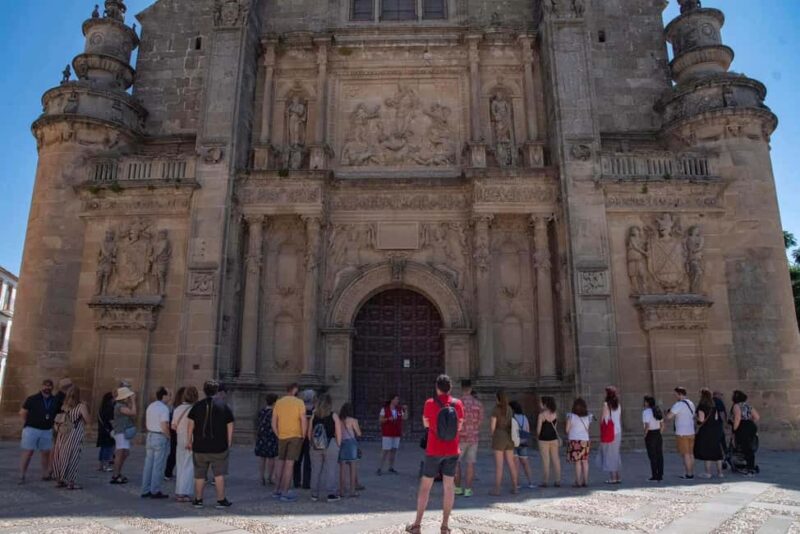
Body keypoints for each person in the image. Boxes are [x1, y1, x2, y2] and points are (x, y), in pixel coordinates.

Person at [406, 374, 464, 534]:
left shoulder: (430, 403)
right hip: (452, 450)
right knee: (449, 487)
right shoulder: (458, 404)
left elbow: (426, 424)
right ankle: (445, 526)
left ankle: (417, 525)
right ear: (450, 388)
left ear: (437, 388)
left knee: (425, 487)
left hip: (434, 449)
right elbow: (459, 427)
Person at [187, 380, 234, 508]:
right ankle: (221, 500)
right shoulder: (224, 406)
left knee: (199, 474)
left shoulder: (197, 406)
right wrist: (229, 442)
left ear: (204, 390)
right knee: (219, 475)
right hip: (219, 446)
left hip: (200, 446)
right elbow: (230, 426)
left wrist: (189, 441)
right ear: (217, 390)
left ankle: (198, 500)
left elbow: (190, 426)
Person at [18, 379, 61, 484]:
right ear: (42, 386)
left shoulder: (55, 400)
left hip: (46, 430)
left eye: (50, 386)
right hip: (31, 429)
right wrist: (27, 424)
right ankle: (22, 474)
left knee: (46, 452)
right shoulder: (32, 399)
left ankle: (45, 474)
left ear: (52, 387)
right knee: (28, 452)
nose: (47, 388)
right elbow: (23, 412)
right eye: (45, 386)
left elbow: (59, 415)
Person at [272, 383, 307, 502]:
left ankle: (277, 490)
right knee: (289, 464)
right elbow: (303, 420)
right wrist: (303, 434)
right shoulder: (299, 403)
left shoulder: (279, 402)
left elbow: (273, 423)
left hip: (282, 436)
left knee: (280, 463)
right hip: (295, 436)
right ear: (295, 390)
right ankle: (285, 492)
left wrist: (278, 434)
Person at [51, 385, 90, 490]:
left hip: (62, 433)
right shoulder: (81, 406)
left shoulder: (64, 406)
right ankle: (71, 482)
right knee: (72, 456)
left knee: (60, 455)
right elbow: (87, 420)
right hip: (74, 433)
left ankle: (59, 479)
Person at [309, 394, 342, 502]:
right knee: (331, 470)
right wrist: (338, 444)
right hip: (330, 444)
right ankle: (331, 494)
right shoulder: (334, 416)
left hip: (316, 445)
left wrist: (312, 443)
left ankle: (314, 494)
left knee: (315, 470)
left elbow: (309, 433)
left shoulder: (314, 416)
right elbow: (338, 433)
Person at [141, 387, 172, 499]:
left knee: (148, 464)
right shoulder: (164, 408)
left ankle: (145, 489)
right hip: (159, 436)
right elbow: (164, 426)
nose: (170, 397)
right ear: (164, 396)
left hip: (150, 435)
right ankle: (155, 490)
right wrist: (169, 437)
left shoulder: (151, 406)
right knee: (158, 465)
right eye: (169, 394)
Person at [454, 380, 483, 497]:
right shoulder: (478, 404)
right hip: (473, 437)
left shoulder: (457, 404)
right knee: (470, 463)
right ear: (471, 388)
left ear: (462, 388)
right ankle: (468, 490)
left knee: (456, 462)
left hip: (459, 437)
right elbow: (480, 421)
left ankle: (457, 488)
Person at [490, 390, 519, 496]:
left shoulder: (495, 410)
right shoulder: (510, 409)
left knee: (499, 465)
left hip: (499, 436)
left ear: (498, 398)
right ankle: (515, 487)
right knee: (511, 463)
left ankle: (497, 489)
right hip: (509, 436)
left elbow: (493, 427)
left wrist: (493, 435)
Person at [172, 386, 197, 502]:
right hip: (190, 439)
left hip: (179, 438)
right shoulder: (194, 409)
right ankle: (185, 492)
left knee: (180, 465)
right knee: (189, 466)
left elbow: (173, 426)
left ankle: (178, 491)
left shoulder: (177, 409)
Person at [665, 387, 696, 479]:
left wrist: (666, 414)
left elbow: (669, 416)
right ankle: (691, 472)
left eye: (675, 394)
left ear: (679, 394)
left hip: (682, 432)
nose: (675, 396)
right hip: (691, 431)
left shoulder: (678, 404)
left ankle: (688, 474)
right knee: (690, 453)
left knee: (685, 454)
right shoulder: (691, 403)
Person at [694, 388, 724, 479]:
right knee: (716, 450)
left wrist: (696, 418)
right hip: (715, 430)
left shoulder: (701, 406)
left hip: (706, 430)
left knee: (707, 452)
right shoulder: (714, 406)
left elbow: (701, 420)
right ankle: (720, 473)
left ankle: (708, 472)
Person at [110, 386, 137, 484]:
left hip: (123, 432)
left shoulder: (122, 405)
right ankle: (116, 474)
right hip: (121, 432)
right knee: (120, 453)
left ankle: (117, 473)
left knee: (124, 453)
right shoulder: (119, 406)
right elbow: (133, 413)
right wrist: (133, 401)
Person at [377, 394, 408, 476]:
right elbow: (380, 420)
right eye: (396, 399)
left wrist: (405, 410)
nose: (398, 401)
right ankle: (380, 467)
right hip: (387, 433)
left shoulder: (399, 409)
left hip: (396, 432)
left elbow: (404, 418)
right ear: (392, 400)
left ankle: (391, 467)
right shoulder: (385, 409)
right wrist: (387, 419)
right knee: (385, 450)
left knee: (393, 451)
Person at [731, 390, 760, 476]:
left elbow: (737, 418)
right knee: (749, 446)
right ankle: (750, 466)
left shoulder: (736, 406)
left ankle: (750, 468)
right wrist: (750, 421)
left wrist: (735, 429)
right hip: (750, 426)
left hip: (742, 427)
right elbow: (757, 417)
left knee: (745, 447)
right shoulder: (748, 405)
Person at [566, 398, 593, 488]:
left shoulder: (571, 416)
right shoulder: (588, 417)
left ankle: (578, 481)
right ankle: (586, 481)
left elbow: (567, 429)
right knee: (585, 461)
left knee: (577, 462)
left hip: (574, 440)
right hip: (585, 440)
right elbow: (588, 429)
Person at [599, 386, 622, 484]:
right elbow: (619, 418)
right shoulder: (618, 405)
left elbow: (603, 419)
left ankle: (613, 478)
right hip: (618, 432)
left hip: (610, 432)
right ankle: (617, 476)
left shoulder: (606, 405)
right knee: (616, 454)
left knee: (609, 455)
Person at [338, 402, 362, 498]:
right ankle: (352, 491)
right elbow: (359, 433)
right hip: (351, 444)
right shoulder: (353, 420)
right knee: (353, 468)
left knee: (342, 469)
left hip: (342, 443)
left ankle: (342, 491)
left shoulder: (339, 420)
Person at [255, 393, 279, 486]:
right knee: (271, 457)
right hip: (271, 436)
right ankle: (270, 477)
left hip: (261, 436)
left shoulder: (261, 411)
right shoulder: (274, 412)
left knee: (262, 458)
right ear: (274, 402)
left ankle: (261, 478)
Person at [293, 389, 316, 490]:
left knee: (297, 460)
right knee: (308, 461)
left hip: (299, 435)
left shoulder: (299, 407)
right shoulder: (315, 409)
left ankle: (296, 482)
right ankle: (306, 483)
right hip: (309, 436)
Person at [510, 400, 534, 489]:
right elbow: (528, 430)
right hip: (523, 441)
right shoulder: (525, 417)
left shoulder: (511, 418)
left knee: (516, 464)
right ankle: (530, 482)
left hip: (514, 442)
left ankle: (517, 483)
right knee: (525, 463)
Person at [642, 396, 664, 482]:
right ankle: (660, 474)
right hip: (658, 433)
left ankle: (654, 475)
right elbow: (663, 425)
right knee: (659, 455)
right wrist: (659, 433)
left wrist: (645, 434)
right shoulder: (657, 410)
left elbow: (647, 425)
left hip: (650, 434)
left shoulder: (646, 412)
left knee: (652, 455)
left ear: (647, 402)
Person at [164, 387, 184, 481]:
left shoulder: (173, 406)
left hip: (174, 431)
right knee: (178, 453)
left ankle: (168, 472)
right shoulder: (180, 407)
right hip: (179, 431)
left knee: (173, 453)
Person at [96, 392, 116, 473]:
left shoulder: (101, 408)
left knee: (103, 448)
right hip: (108, 431)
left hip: (102, 430)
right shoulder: (110, 408)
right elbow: (111, 421)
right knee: (108, 448)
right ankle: (106, 466)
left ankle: (101, 465)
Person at [712, 391, 729, 467]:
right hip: (718, 425)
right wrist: (725, 423)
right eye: (721, 394)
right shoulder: (718, 401)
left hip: (712, 426)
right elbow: (721, 412)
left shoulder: (711, 401)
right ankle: (724, 459)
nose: (722, 396)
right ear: (716, 395)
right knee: (722, 442)